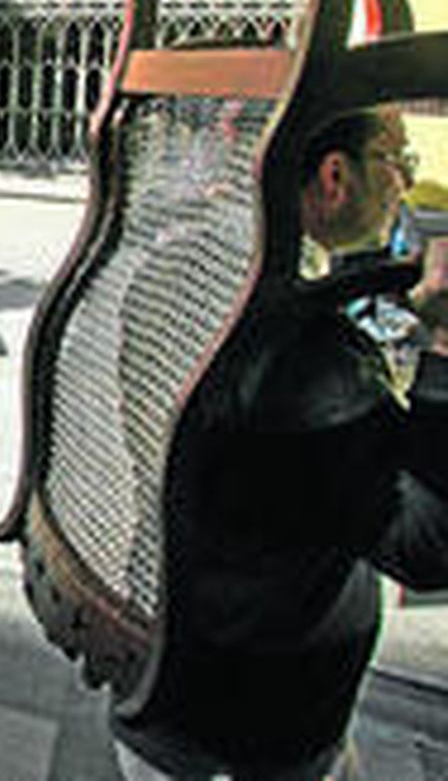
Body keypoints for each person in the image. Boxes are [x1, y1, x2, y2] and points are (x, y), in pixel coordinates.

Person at [109, 107, 448, 781]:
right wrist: (443, 349)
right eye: (396, 159)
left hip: (162, 669)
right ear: (333, 176)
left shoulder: (178, 269)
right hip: (266, 716)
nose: (406, 181)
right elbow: (427, 546)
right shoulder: (312, 359)